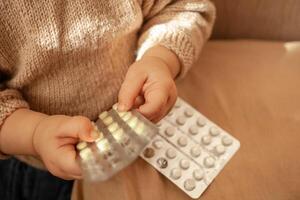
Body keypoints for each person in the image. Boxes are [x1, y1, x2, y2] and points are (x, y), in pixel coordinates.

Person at [0, 0, 215, 199]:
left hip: (139, 115)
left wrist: (159, 59)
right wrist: (35, 133)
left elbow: (183, 7)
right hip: (35, 153)